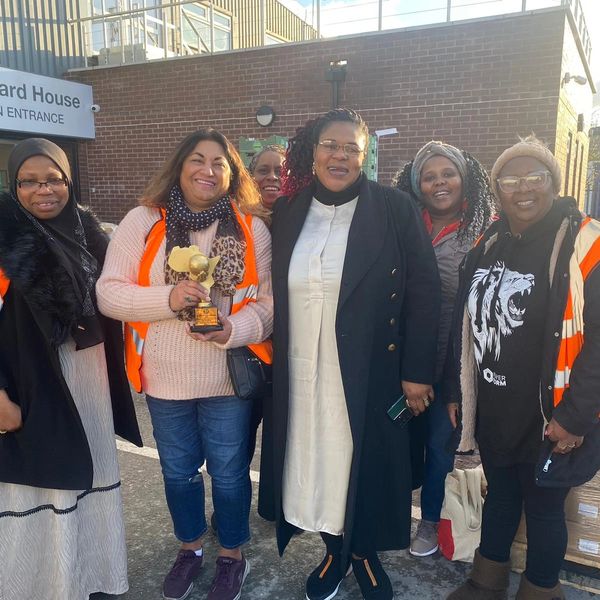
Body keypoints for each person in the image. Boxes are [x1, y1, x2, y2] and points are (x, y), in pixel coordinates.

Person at [259, 108, 441, 600]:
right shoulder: (290, 211)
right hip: (300, 366)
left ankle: (362, 551)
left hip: (368, 367)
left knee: (361, 460)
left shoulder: (394, 208)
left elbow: (425, 292)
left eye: (351, 148)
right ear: (313, 152)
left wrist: (418, 372)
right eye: (330, 146)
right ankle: (334, 548)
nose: (339, 156)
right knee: (314, 459)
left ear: (365, 155)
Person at [96, 128, 273, 600]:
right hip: (163, 377)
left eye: (220, 163)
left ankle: (233, 556)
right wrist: (168, 298)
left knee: (230, 473)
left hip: (224, 376)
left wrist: (233, 330)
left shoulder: (251, 228)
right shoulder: (143, 220)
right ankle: (190, 549)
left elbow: (269, 306)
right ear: (180, 166)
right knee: (178, 473)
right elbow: (109, 293)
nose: (207, 170)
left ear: (232, 174)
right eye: (198, 159)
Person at [446, 135, 600, 600]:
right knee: (502, 498)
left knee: (545, 509)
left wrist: (575, 417)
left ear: (553, 182)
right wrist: (457, 391)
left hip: (552, 414)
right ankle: (485, 582)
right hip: (496, 407)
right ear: (497, 187)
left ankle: (540, 593)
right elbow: (465, 321)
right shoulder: (490, 239)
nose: (523, 188)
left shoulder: (584, 240)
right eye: (511, 179)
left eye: (535, 177)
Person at [0, 138, 142, 600]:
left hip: (90, 378)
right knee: (42, 485)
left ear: (68, 180)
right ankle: (45, 586)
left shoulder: (91, 233)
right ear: (13, 185)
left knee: (91, 474)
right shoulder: (6, 240)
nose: (44, 190)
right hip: (30, 380)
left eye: (54, 179)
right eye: (29, 181)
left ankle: (91, 578)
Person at [394, 141, 496, 557]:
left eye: (447, 174)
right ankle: (391, 512)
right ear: (417, 184)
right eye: (429, 176)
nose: (439, 183)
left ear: (464, 176)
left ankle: (431, 521)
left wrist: (458, 386)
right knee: (397, 443)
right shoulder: (400, 222)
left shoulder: (485, 230)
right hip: (401, 358)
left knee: (440, 446)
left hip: (453, 363)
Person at [248, 144, 285, 210]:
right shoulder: (236, 216)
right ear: (251, 176)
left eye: (280, 172)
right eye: (263, 171)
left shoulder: (303, 216)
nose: (272, 177)